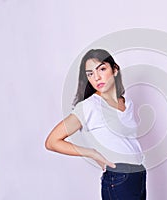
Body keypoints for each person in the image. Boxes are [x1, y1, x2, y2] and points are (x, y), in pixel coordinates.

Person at [45, 49, 147, 199]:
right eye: (90, 74)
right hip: (118, 177)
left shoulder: (126, 102)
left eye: (102, 69)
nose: (97, 77)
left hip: (138, 174)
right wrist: (91, 153)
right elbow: (52, 141)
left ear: (115, 70)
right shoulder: (89, 106)